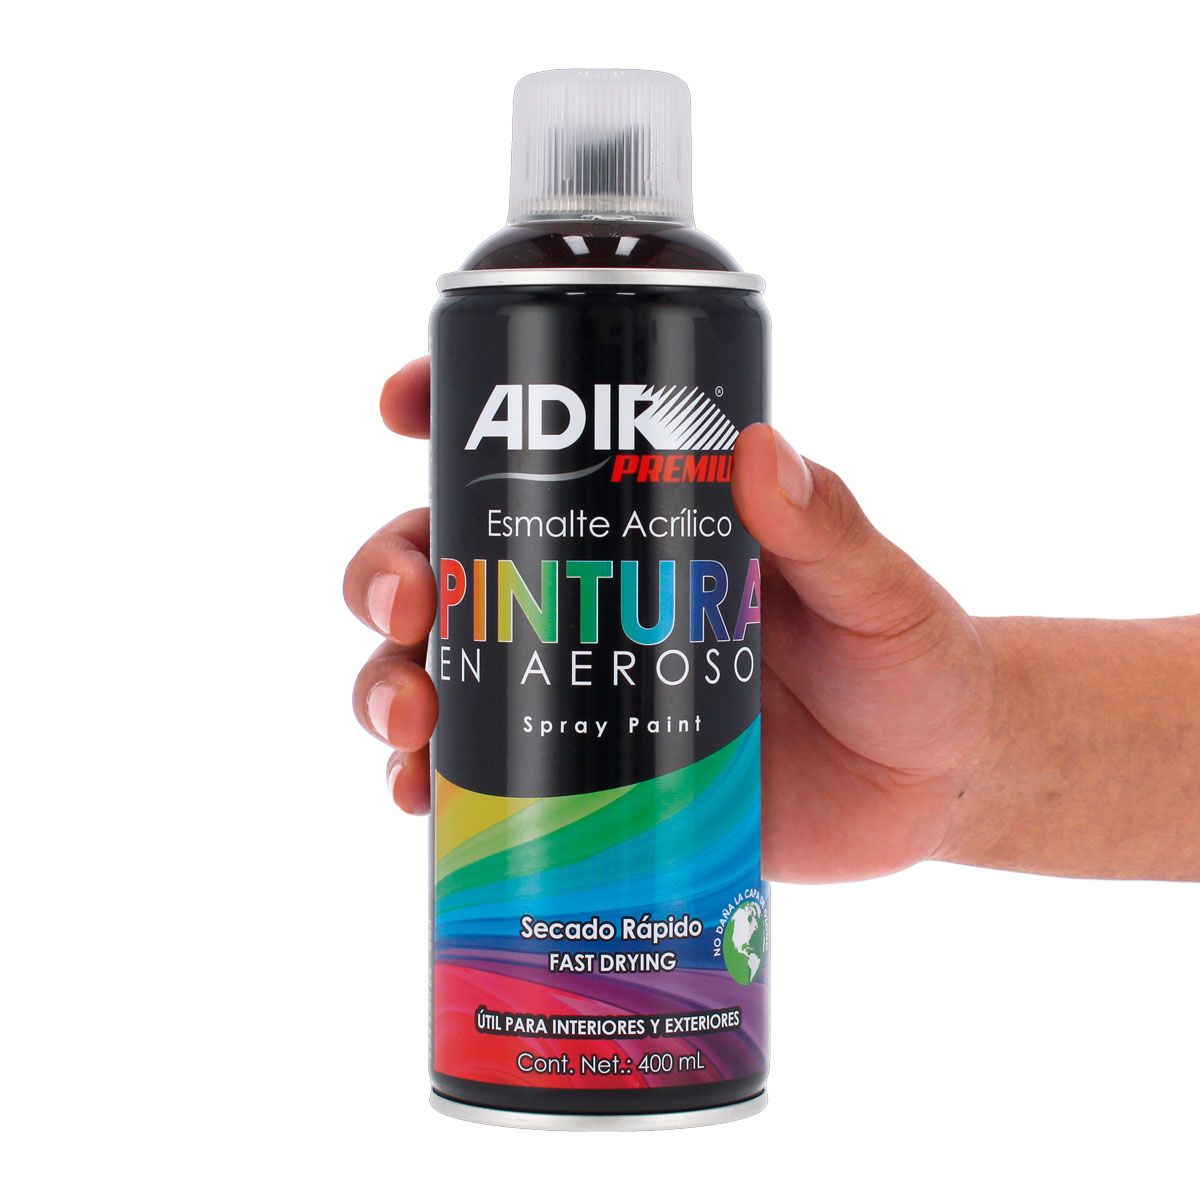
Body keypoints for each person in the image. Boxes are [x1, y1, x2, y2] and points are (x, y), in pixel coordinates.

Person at [344, 357, 1200, 883]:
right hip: (513, 939)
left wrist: (970, 753)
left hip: (699, 912)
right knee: (484, 593)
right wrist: (970, 749)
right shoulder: (498, 328)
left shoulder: (693, 322)